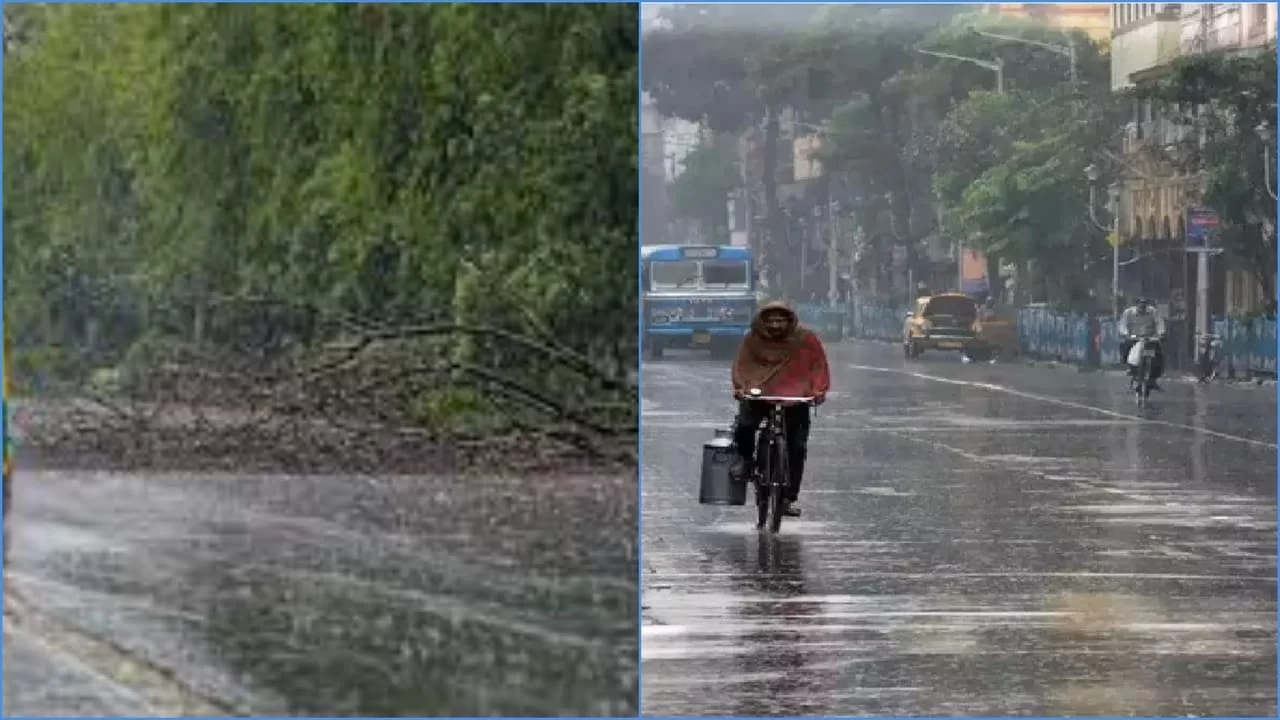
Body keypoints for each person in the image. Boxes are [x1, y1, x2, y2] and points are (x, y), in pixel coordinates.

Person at [729, 302, 830, 517]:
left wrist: (818, 390)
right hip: (759, 395)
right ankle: (746, 459)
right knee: (745, 425)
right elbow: (742, 366)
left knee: (797, 446)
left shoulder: (805, 340)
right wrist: (741, 387)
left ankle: (787, 497)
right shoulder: (752, 340)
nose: (776, 325)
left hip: (795, 397)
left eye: (780, 320)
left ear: (789, 321)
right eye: (771, 321)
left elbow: (818, 366)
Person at [1117, 297, 1167, 390]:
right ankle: (1130, 367)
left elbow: (1159, 323)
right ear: (1136, 305)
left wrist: (1161, 333)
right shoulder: (1129, 313)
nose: (1142, 307)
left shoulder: (1153, 312)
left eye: (1144, 305)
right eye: (1140, 305)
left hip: (1150, 338)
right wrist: (1126, 333)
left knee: (1159, 354)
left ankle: (1155, 377)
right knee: (1125, 347)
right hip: (1134, 338)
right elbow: (1123, 325)